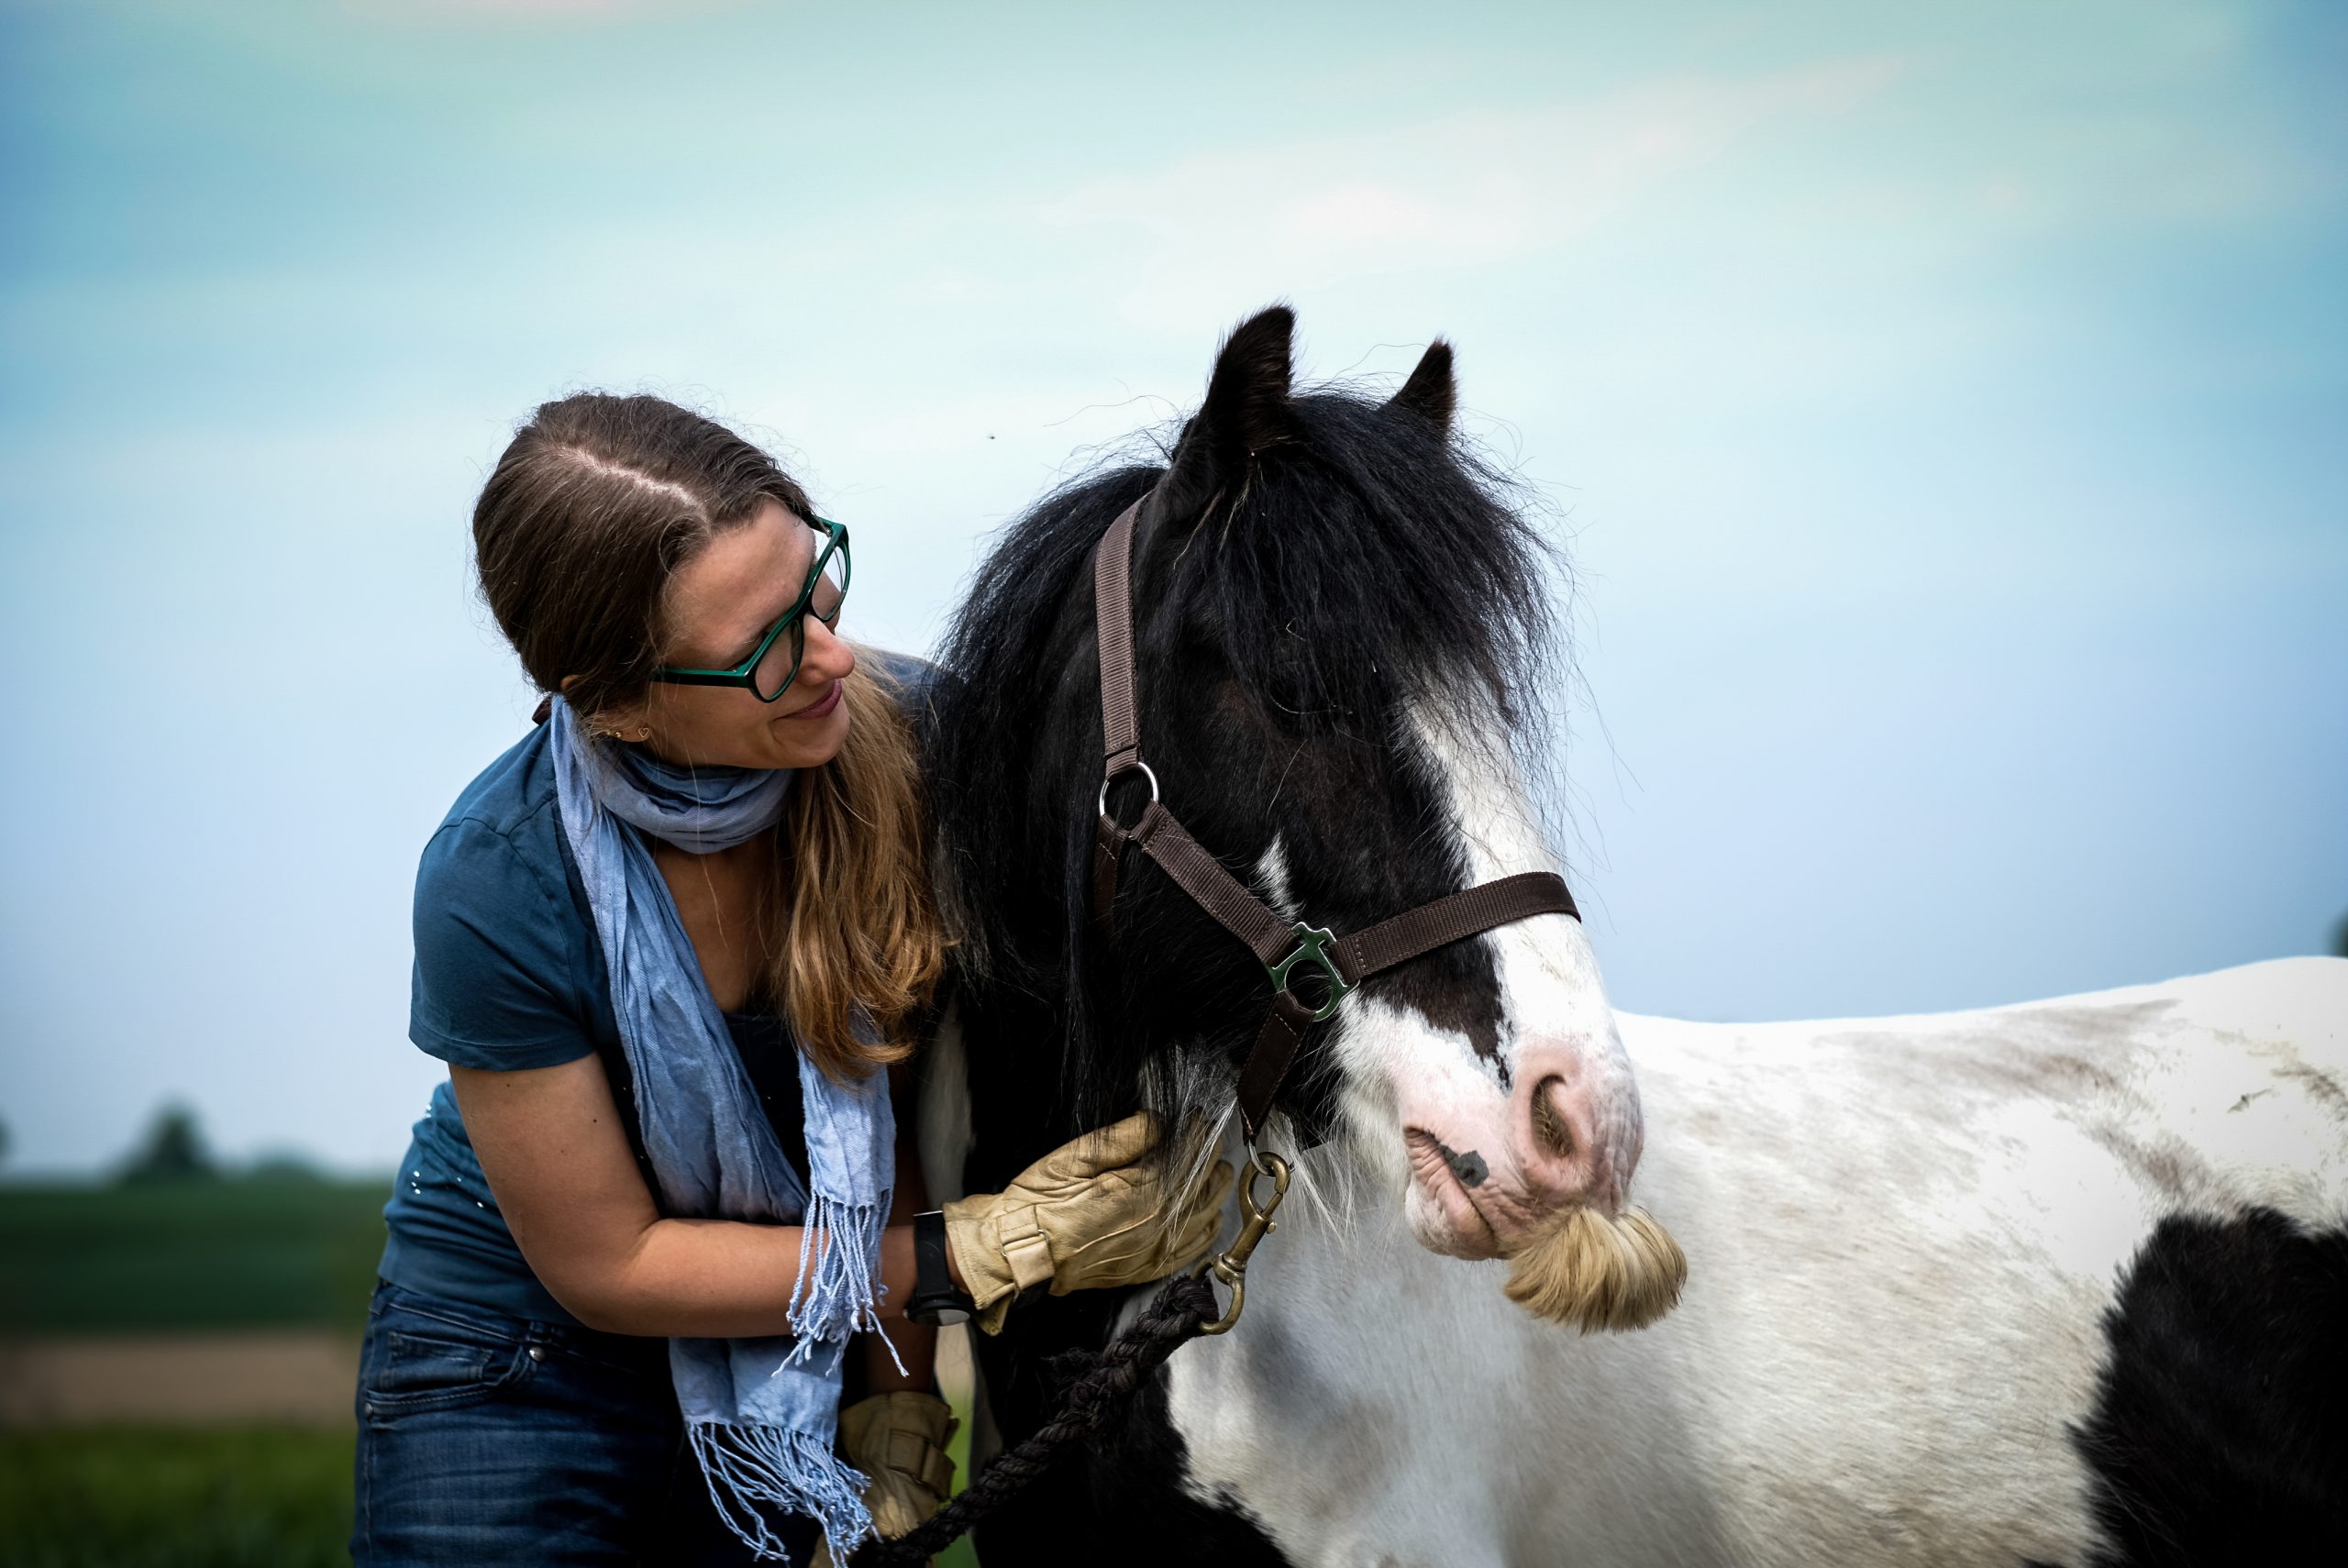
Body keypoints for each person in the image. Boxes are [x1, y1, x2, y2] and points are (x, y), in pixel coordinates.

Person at [354, 393, 1232, 1567]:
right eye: (764, 647)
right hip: (518, 1362)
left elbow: (897, 1096)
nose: (830, 655)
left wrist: (899, 1417)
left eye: (817, 583)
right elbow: (610, 1266)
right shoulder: (500, 879)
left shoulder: (924, 748)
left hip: (804, 1356)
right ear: (612, 704)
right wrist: (974, 1252)